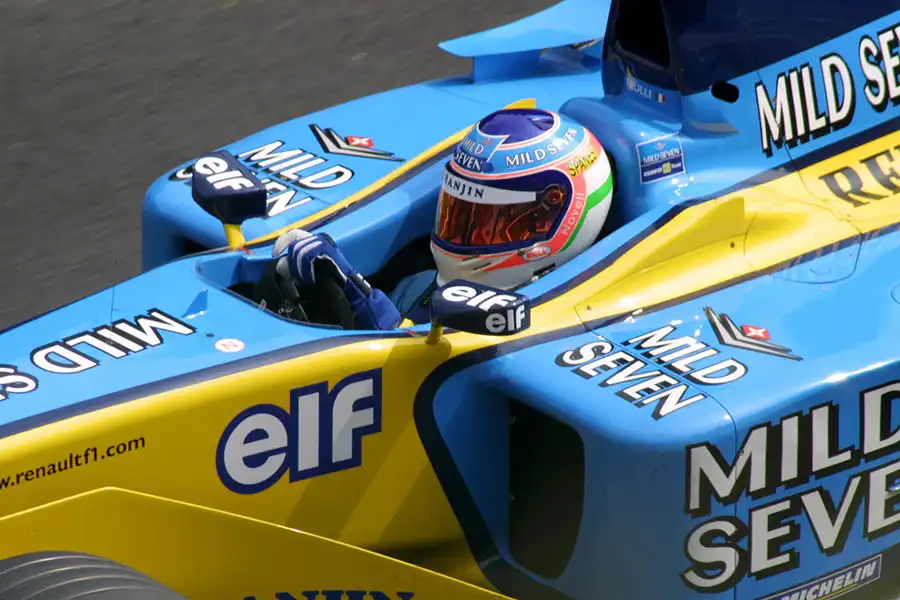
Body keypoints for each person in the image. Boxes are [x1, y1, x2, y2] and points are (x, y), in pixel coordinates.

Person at [272, 107, 614, 330]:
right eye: (460, 212)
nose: (467, 234)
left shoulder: (560, 325)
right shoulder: (417, 287)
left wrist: (367, 307)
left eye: (496, 219)